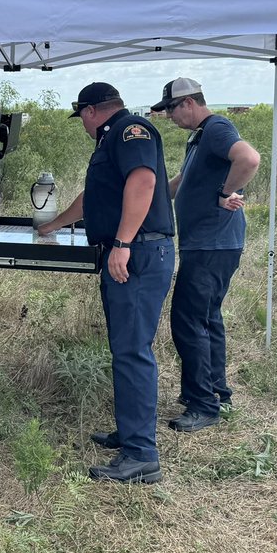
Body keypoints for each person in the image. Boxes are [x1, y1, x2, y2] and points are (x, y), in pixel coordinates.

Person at [37, 83, 175, 484]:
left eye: (81, 115)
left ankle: (141, 456)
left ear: (91, 111)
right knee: (124, 348)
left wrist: (122, 242)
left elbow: (144, 182)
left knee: (132, 352)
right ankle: (131, 432)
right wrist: (53, 225)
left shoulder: (132, 130)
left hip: (139, 254)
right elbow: (94, 197)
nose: (82, 123)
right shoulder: (111, 139)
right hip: (133, 251)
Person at [151, 77, 261, 432]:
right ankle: (216, 391)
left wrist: (225, 191)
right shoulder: (198, 137)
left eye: (170, 108)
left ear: (188, 102)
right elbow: (182, 181)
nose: (168, 116)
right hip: (209, 243)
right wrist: (148, 203)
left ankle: (202, 405)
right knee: (208, 317)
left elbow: (249, 158)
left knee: (188, 320)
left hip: (212, 243)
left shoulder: (216, 128)